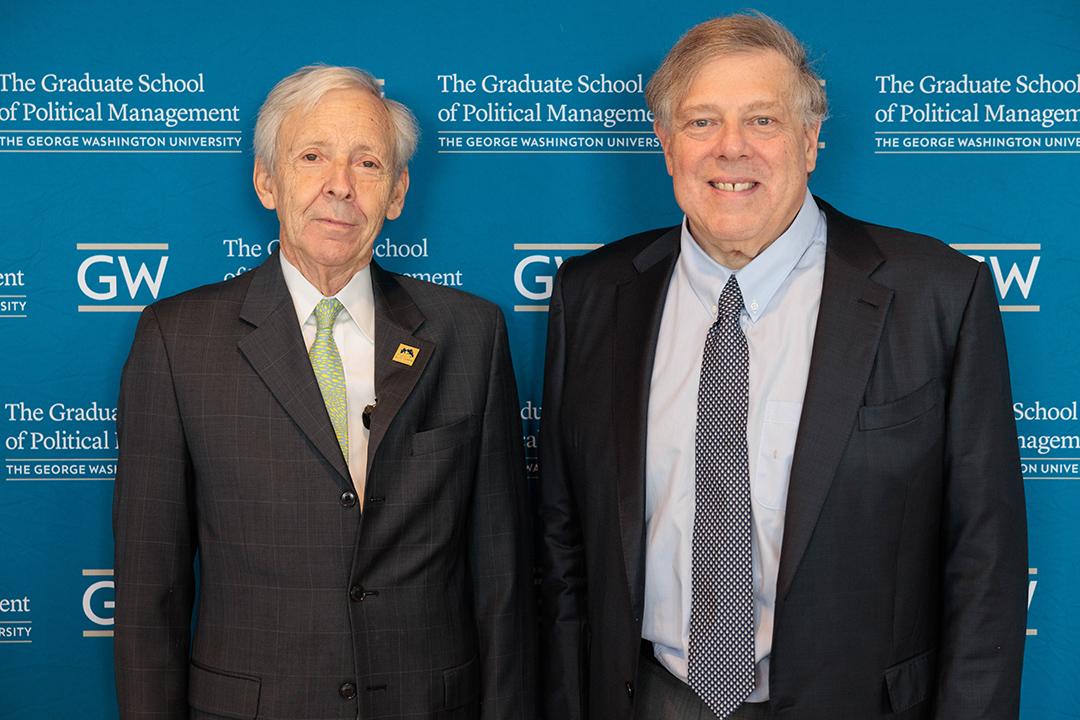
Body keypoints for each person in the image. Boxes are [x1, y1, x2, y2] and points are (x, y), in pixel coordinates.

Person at [537, 13, 1026, 720]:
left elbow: (986, 559)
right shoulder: (591, 295)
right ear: (666, 144)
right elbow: (562, 547)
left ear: (810, 139)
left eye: (762, 120)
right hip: (648, 696)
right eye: (702, 122)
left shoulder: (938, 295)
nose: (731, 148)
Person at [113, 65, 533, 720]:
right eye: (312, 157)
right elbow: (148, 595)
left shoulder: (471, 334)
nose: (340, 185)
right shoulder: (177, 339)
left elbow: (502, 580)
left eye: (367, 163)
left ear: (397, 193)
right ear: (266, 180)